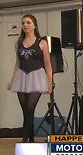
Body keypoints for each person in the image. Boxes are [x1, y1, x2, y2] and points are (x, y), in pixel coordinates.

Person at [7, 14, 53, 143]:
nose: (25, 25)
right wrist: (12, 80)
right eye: (23, 23)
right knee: (26, 112)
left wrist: (50, 82)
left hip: (37, 77)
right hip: (21, 78)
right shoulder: (18, 43)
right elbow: (17, 63)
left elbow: (48, 64)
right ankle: (31, 139)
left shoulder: (42, 43)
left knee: (30, 109)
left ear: (34, 25)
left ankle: (25, 140)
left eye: (28, 22)